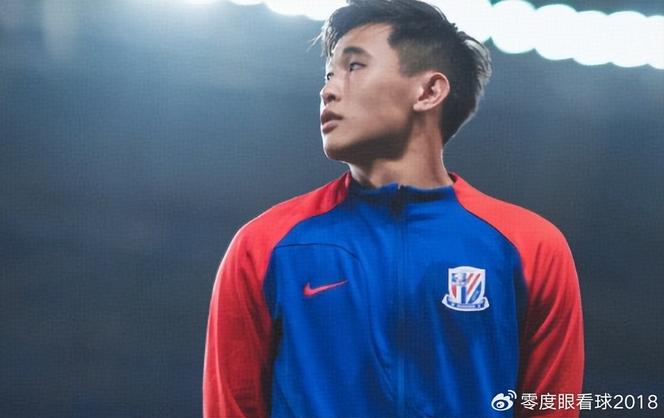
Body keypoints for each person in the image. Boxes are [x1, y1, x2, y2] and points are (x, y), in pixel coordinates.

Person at [203, 0, 584, 416]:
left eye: (354, 66)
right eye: (328, 75)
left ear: (429, 91)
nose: (327, 90)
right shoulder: (265, 245)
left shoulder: (531, 248)